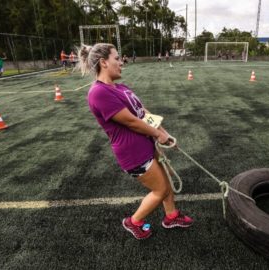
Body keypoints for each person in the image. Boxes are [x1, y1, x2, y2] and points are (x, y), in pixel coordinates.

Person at [78, 43, 193, 240]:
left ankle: (171, 216)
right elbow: (131, 122)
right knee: (161, 189)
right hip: (134, 153)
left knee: (166, 178)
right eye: (117, 58)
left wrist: (164, 133)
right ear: (104, 62)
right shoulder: (99, 92)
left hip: (147, 144)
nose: (121, 62)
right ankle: (134, 222)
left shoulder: (120, 87)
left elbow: (143, 112)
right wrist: (159, 136)